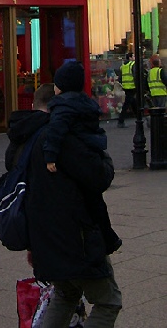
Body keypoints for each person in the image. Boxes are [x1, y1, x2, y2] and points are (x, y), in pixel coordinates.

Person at [10, 82, 123, 327]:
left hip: (43, 239)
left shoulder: (22, 141)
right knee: (108, 301)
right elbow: (98, 176)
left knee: (66, 293)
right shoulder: (61, 138)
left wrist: (32, 243)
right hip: (76, 237)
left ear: (33, 105)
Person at [43, 60, 121, 254]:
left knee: (86, 205)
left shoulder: (61, 107)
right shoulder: (85, 102)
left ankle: (101, 241)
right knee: (97, 205)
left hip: (79, 155)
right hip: (92, 146)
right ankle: (109, 237)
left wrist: (50, 155)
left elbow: (56, 131)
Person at [116, 52, 138, 128]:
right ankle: (120, 121)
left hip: (126, 87)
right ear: (130, 58)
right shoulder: (133, 65)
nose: (135, 57)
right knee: (127, 104)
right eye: (134, 56)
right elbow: (135, 76)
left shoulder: (123, 66)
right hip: (132, 86)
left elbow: (120, 78)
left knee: (133, 102)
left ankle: (139, 117)